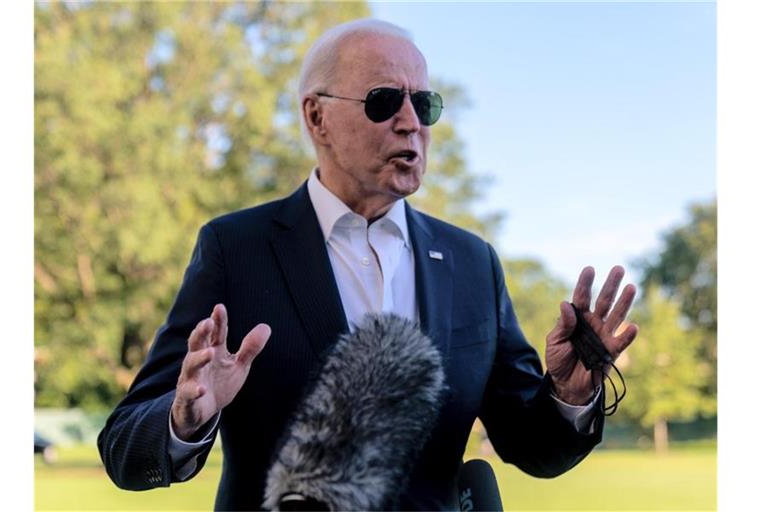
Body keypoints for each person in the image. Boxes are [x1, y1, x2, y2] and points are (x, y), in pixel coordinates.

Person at [98, 18, 638, 510]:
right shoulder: (236, 249)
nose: (410, 123)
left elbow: (533, 446)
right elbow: (125, 445)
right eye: (383, 101)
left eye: (423, 104)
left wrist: (569, 394)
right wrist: (183, 420)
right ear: (317, 117)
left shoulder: (473, 262)